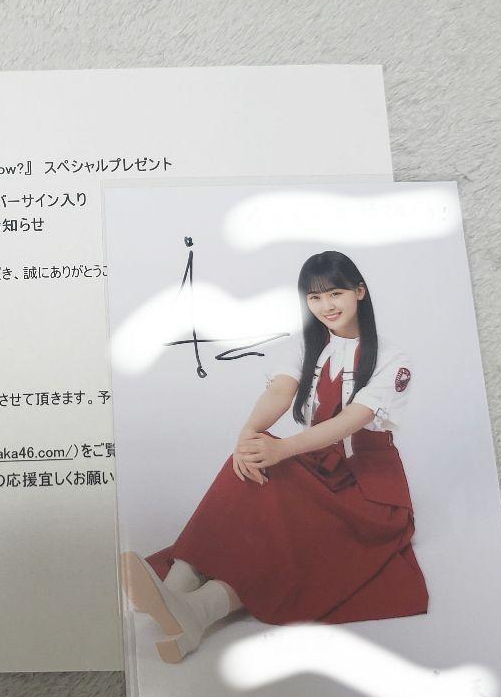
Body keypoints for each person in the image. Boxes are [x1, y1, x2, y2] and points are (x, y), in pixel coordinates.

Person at [120, 250, 429, 664]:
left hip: (368, 492)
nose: (326, 306)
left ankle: (196, 610)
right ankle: (174, 590)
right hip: (320, 467)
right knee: (249, 460)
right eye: (315, 298)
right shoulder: (308, 345)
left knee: (290, 537)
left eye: (335, 293)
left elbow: (350, 421)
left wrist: (281, 449)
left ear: (359, 292)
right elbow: (281, 391)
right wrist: (247, 435)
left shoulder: (392, 360)